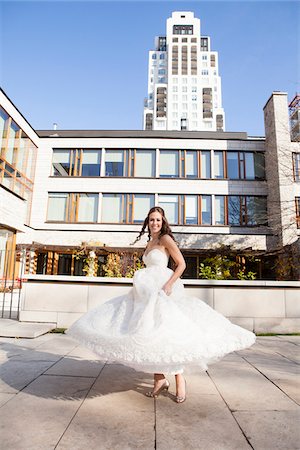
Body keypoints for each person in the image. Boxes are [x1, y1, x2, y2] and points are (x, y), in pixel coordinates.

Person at [67, 207, 256, 403]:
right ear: (147, 222)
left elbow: (181, 264)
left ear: (163, 221)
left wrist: (168, 284)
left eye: (158, 220)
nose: (154, 223)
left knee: (168, 333)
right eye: (151, 220)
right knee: (147, 334)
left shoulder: (166, 239)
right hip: (144, 293)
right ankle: (159, 379)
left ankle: (179, 380)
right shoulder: (149, 242)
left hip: (162, 291)